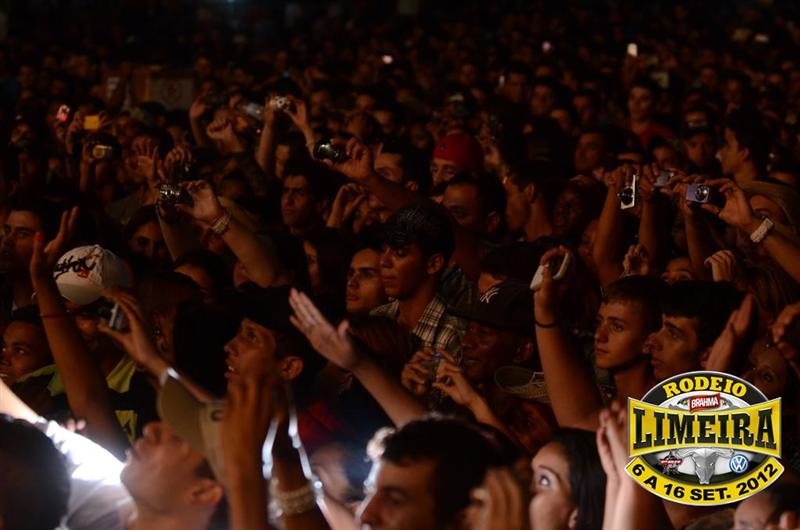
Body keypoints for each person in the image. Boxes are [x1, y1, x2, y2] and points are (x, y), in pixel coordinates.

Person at [370, 203, 465, 354]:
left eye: (400, 254)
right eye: (383, 250)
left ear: (433, 264)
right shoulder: (377, 318)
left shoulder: (453, 336)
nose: (384, 261)